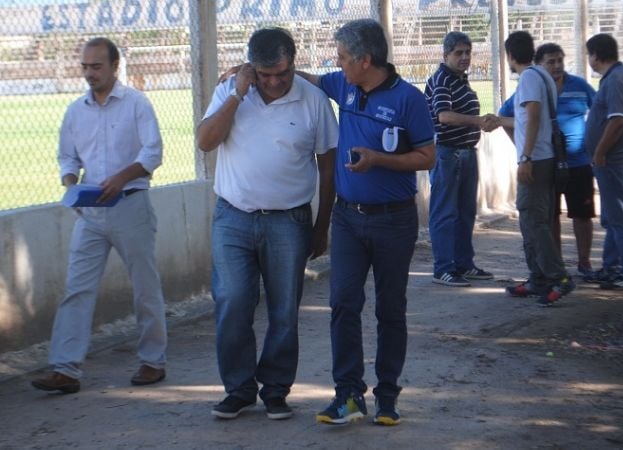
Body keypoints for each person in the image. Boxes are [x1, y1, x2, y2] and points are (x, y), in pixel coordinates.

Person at [296, 19, 435, 426]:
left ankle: (387, 396)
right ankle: (348, 395)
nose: (335, 65)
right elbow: (311, 79)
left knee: (390, 309)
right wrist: (263, 70)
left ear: (365, 60)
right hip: (347, 219)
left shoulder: (409, 99)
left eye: (341, 58)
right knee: (342, 304)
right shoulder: (345, 86)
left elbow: (428, 157)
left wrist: (380, 161)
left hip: (394, 221)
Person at [196, 28, 338, 420]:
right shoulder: (231, 91)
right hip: (233, 218)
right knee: (233, 302)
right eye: (264, 74)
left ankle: (276, 390)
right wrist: (237, 95)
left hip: (289, 222)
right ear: (250, 69)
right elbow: (206, 142)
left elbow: (328, 170)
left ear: (294, 62)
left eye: (282, 73)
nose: (274, 82)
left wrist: (321, 225)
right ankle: (238, 389)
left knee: (284, 310)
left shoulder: (313, 100)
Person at [31, 37, 168, 394]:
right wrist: (70, 182)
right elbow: (67, 157)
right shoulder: (75, 111)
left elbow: (153, 152)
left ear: (114, 67)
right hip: (90, 211)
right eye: (85, 67)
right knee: (77, 287)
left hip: (131, 205)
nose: (89, 73)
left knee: (144, 286)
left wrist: (120, 179)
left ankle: (153, 362)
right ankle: (65, 369)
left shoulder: (137, 104)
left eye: (96, 66)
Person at [498, 43, 597, 277]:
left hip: (578, 162)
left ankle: (584, 263)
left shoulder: (578, 86)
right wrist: (524, 150)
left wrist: (594, 145)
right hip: (549, 162)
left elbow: (599, 111)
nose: (557, 66)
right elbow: (508, 116)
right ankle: (555, 265)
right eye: (551, 61)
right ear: (540, 64)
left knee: (582, 215)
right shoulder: (536, 85)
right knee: (548, 217)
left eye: (560, 60)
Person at [502, 31, 575, 305]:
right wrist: (498, 122)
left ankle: (559, 277)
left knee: (534, 220)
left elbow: (532, 115)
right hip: (542, 156)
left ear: (509, 55)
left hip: (537, 159)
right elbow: (527, 120)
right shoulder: (541, 75)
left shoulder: (530, 78)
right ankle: (539, 278)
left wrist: (526, 157)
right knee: (530, 220)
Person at [424, 31, 500, 287]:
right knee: (445, 213)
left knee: (465, 213)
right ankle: (443, 268)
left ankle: (463, 264)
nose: (465, 57)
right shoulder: (443, 79)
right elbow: (444, 116)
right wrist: (478, 121)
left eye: (468, 52)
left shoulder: (459, 79)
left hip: (466, 152)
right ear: (446, 55)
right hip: (448, 153)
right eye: (459, 53)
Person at [582, 33, 623, 290]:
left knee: (620, 215)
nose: (589, 60)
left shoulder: (617, 80)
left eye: (590, 55)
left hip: (613, 158)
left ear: (596, 54)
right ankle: (612, 267)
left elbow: (617, 120)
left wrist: (600, 152)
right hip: (611, 158)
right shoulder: (615, 78)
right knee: (611, 216)